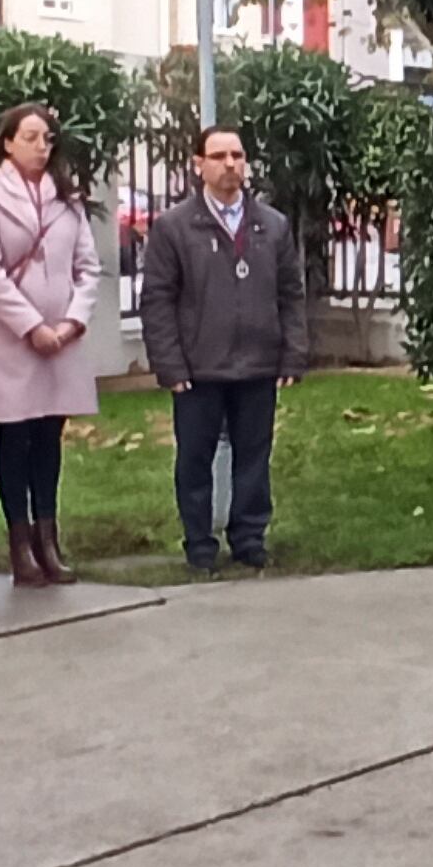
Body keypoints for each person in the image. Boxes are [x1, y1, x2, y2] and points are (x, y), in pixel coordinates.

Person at [136, 125, 307, 573]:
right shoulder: (175, 227)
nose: (230, 164)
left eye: (237, 155)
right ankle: (199, 543)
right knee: (195, 457)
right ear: (198, 165)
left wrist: (292, 353)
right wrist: (169, 364)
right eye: (218, 156)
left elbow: (291, 294)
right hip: (198, 367)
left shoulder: (271, 225)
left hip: (257, 362)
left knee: (254, 455)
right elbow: (157, 299)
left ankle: (249, 537)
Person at [0, 103, 102, 587]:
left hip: (61, 338)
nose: (42, 147)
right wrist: (31, 326)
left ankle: (49, 538)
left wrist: (71, 321)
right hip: (10, 339)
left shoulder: (67, 198)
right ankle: (20, 544)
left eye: (47, 139)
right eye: (31, 137)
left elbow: (88, 267)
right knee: (15, 437)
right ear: (8, 142)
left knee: (49, 437)